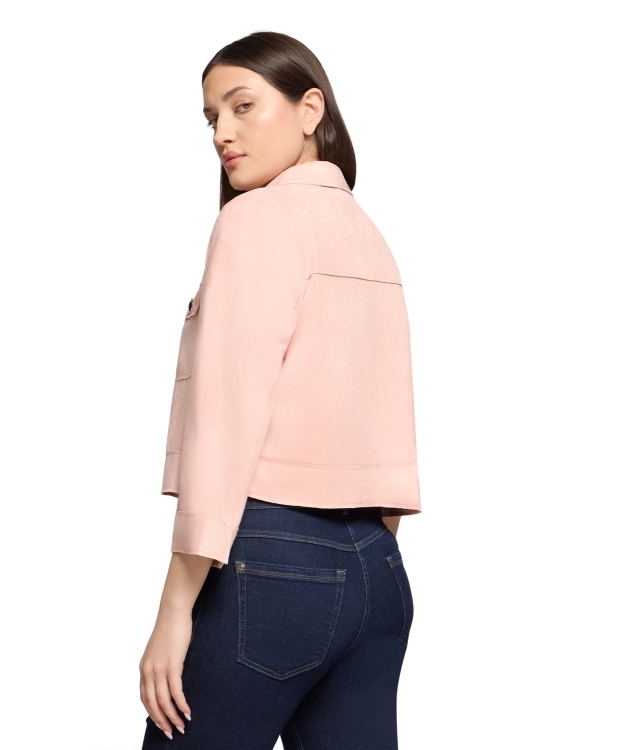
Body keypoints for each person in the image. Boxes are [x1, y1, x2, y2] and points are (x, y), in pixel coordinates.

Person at [139, 31, 421, 749]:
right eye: (211, 117)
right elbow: (383, 422)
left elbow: (225, 423)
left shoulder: (255, 221)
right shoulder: (367, 236)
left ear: (309, 109)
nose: (222, 134)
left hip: (270, 564)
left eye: (242, 107)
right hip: (378, 573)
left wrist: (174, 610)